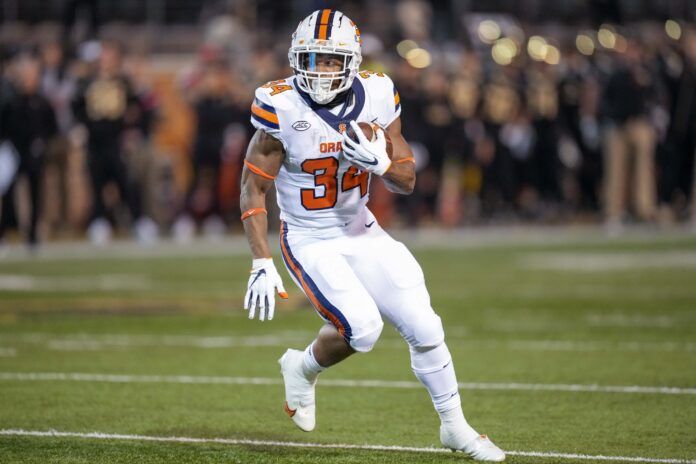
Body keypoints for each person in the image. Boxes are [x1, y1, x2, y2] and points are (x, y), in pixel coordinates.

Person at [239, 9, 504, 462]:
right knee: (361, 330)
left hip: (361, 227)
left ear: (352, 62)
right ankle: (301, 368)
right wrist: (261, 259)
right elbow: (252, 187)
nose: (320, 70)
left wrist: (381, 165)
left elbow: (407, 179)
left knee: (426, 326)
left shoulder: (378, 94)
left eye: (329, 60)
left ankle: (455, 427)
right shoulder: (280, 104)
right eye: (312, 59)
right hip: (309, 235)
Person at [0, 56, 58, 247]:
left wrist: (42, 145)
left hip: (34, 155)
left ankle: (32, 235)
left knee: (35, 194)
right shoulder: (11, 102)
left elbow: (52, 129)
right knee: (7, 194)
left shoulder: (42, 102)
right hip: (14, 154)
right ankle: (4, 231)